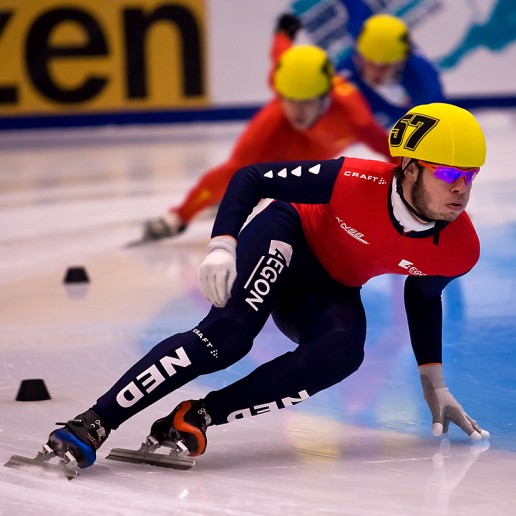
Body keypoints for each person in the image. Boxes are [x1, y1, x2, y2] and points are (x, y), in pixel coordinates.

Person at [46, 102, 490, 469]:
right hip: (288, 234)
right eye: (449, 175)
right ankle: (94, 421)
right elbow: (251, 177)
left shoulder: (459, 247)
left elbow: (424, 291)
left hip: (331, 286)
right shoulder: (353, 179)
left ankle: (195, 416)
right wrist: (222, 244)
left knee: (342, 354)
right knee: (227, 337)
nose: (462, 190)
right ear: (409, 169)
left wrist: (433, 379)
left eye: (470, 176)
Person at [142, 14, 395, 240]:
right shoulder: (284, 76)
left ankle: (246, 199)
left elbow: (388, 149)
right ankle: (179, 217)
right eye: (290, 99)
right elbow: (281, 50)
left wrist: (429, 178)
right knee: (236, 170)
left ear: (326, 97)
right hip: (278, 125)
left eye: (306, 102)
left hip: (313, 152)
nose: (297, 110)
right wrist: (283, 31)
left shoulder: (354, 118)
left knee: (282, 189)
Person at [335, 13, 447, 129]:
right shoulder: (349, 65)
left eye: (384, 67)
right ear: (358, 56)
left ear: (401, 62)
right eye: (370, 63)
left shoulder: (424, 84)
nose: (375, 72)